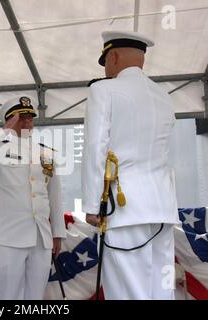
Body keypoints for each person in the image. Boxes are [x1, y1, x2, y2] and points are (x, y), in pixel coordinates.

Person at [81, 31, 179, 300]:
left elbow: (95, 149)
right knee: (160, 291)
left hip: (124, 209)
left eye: (106, 62)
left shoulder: (103, 90)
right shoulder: (164, 96)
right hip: (161, 208)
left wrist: (92, 206)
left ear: (113, 56)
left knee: (128, 292)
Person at [0, 96, 66, 299]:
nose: (28, 122)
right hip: (8, 238)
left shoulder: (46, 153)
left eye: (30, 117)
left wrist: (57, 233)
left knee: (35, 297)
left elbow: (54, 195)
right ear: (10, 120)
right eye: (22, 118)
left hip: (41, 237)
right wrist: (6, 132)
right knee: (8, 296)